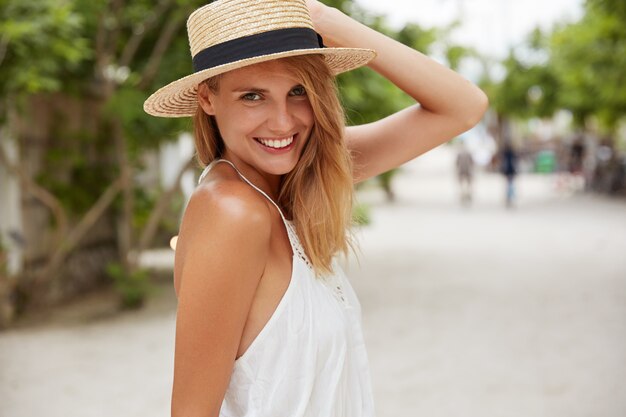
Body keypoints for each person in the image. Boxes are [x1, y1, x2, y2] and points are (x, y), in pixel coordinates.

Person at [143, 0, 488, 416]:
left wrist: (325, 20)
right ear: (208, 98)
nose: (283, 122)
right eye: (252, 96)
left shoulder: (298, 176)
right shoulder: (232, 212)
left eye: (298, 92)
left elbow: (464, 106)